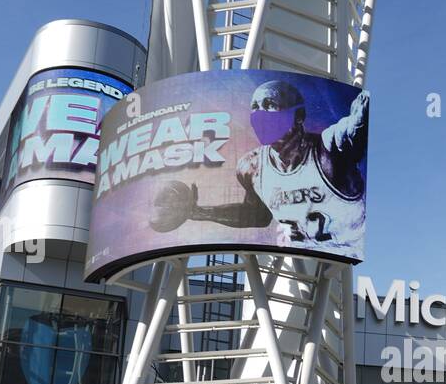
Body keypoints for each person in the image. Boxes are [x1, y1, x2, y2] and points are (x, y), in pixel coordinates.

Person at [148, 79, 368, 254]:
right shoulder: (251, 166)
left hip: (346, 251)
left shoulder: (326, 147)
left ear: (298, 116)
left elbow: (348, 132)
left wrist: (358, 119)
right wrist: (198, 212)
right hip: (302, 250)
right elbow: (258, 216)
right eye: (255, 108)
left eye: (270, 105)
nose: (260, 115)